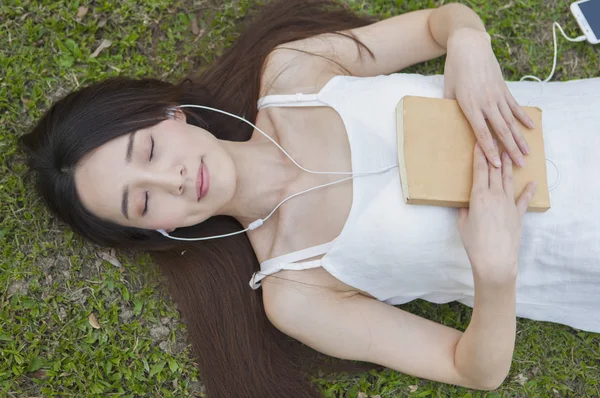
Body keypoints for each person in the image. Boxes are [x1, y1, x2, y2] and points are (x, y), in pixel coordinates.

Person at [20, 0, 600, 396]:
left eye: (147, 152)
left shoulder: (294, 73)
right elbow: (475, 370)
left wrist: (469, 43)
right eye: (142, 205)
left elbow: (441, 24)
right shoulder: (296, 291)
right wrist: (495, 274)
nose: (169, 181)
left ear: (170, 114)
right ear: (158, 232)